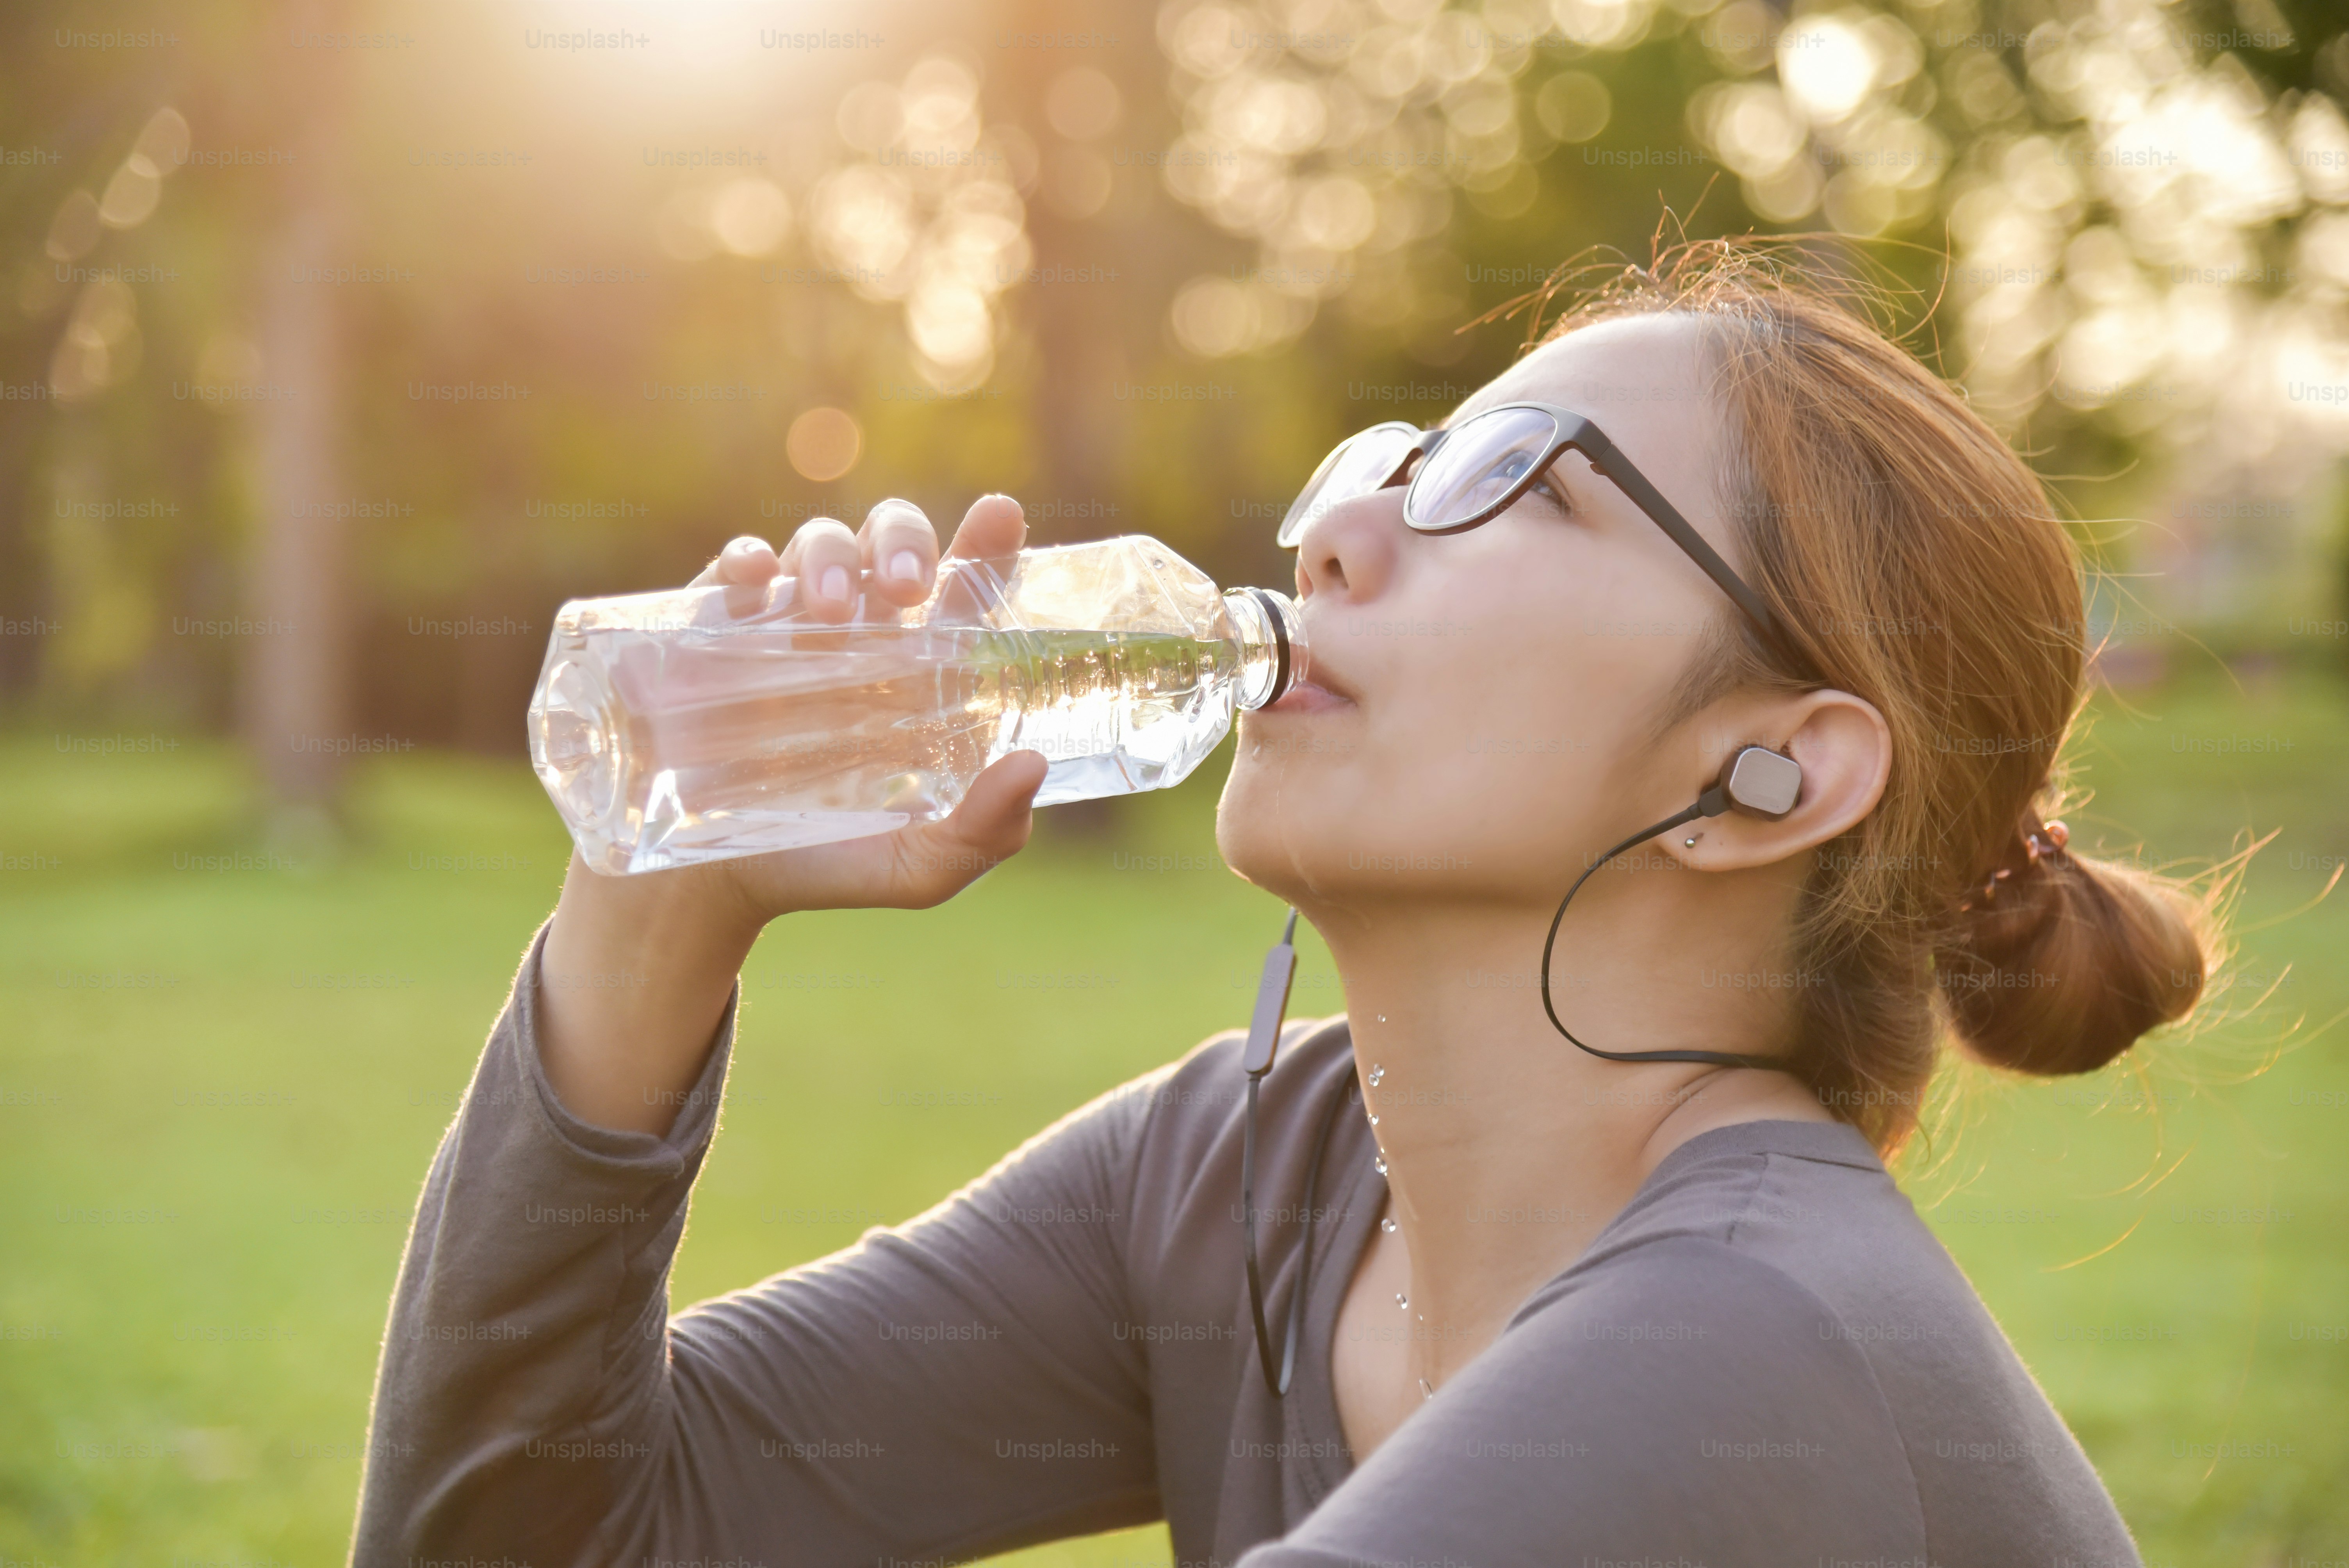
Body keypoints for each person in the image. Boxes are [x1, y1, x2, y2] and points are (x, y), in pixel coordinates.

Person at [351, 243, 2213, 1568]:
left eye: (1514, 487)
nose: (1337, 534)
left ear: (1768, 772)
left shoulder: (1754, 1337)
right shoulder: (1235, 1180)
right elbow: (536, 1539)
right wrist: (660, 894)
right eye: (1388, 462)